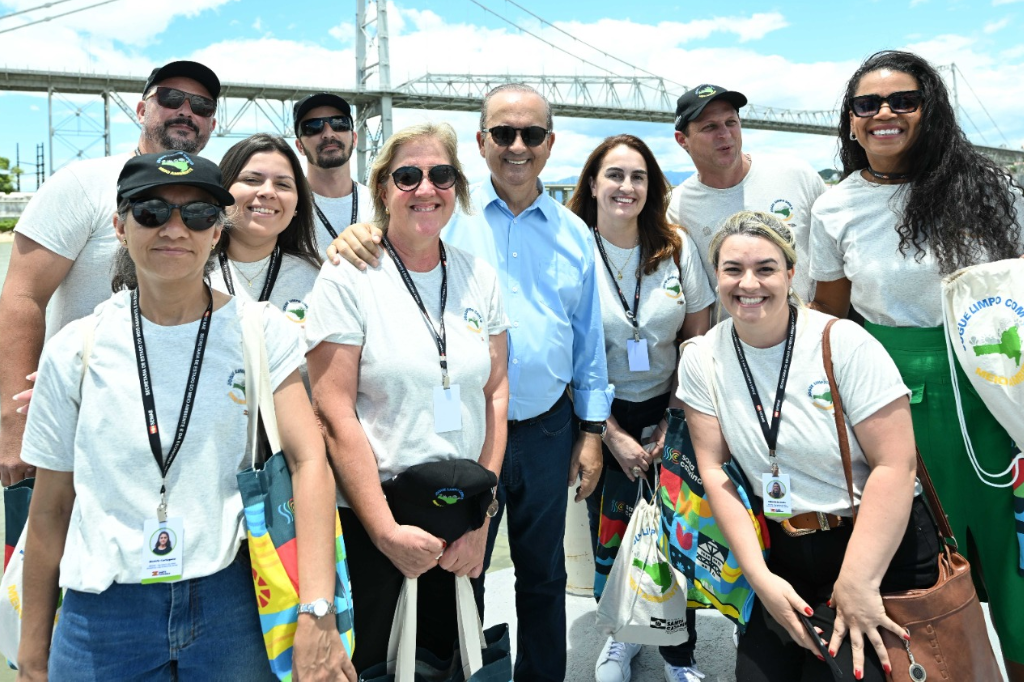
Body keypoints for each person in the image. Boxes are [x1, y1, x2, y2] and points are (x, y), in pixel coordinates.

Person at [16, 153, 354, 681]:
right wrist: (34, 654)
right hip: (104, 610)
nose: (174, 228)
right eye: (151, 211)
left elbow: (310, 463)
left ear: (217, 231)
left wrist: (317, 608)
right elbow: (52, 507)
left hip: (232, 602)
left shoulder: (262, 332)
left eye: (197, 214)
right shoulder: (73, 350)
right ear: (119, 226)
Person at [326, 84, 613, 682]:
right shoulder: (443, 213)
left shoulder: (574, 233)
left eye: (531, 134)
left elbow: (588, 340)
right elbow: (389, 243)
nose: (516, 146)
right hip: (449, 444)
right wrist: (351, 233)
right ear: (481, 143)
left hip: (541, 427)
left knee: (543, 573)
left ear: (549, 143)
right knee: (460, 568)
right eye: (502, 134)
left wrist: (590, 430)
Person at [809, 49, 1024, 679]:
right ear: (850, 121)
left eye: (904, 100)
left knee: (1014, 566)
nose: (885, 114)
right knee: (921, 573)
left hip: (995, 387)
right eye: (867, 104)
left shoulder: (992, 190)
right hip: (895, 399)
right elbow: (832, 314)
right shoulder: (834, 207)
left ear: (931, 112)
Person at [678, 211, 940, 682]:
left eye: (766, 268)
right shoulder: (702, 358)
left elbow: (895, 466)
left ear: (791, 273)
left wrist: (858, 582)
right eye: (733, 269)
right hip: (783, 549)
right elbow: (714, 470)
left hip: (872, 541)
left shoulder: (843, 343)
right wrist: (759, 577)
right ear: (716, 275)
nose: (749, 283)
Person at [305, 122, 509, 673]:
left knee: (448, 661)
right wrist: (384, 531)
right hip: (379, 514)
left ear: (457, 187)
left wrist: (482, 517)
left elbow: (495, 392)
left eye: (441, 175)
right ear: (383, 190)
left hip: (462, 515)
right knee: (375, 662)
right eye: (408, 176)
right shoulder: (350, 277)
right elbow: (333, 411)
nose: (426, 188)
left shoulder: (478, 277)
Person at [0, 60, 220, 487]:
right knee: (50, 547)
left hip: (184, 424)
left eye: (202, 105)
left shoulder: (215, 197)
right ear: (141, 110)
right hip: (77, 420)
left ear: (212, 123)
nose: (186, 112)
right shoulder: (82, 183)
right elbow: (22, 295)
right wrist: (12, 421)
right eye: (171, 99)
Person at [566, 134, 714, 682]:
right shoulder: (573, 248)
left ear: (651, 188)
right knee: (612, 527)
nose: (626, 187)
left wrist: (671, 419)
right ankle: (621, 637)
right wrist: (612, 436)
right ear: (592, 184)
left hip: (672, 406)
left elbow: (696, 337)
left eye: (638, 177)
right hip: (598, 411)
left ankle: (680, 651)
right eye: (614, 175)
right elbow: (565, 356)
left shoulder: (674, 247)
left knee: (680, 531)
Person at [667, 84, 825, 314]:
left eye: (731, 122)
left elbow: (835, 255)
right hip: (729, 345)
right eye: (710, 127)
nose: (724, 134)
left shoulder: (797, 174)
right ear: (682, 140)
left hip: (808, 336)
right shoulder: (676, 209)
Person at [211, 134, 321, 371]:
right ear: (222, 192)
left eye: (283, 184)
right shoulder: (189, 273)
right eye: (252, 179)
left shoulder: (321, 279)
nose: (268, 192)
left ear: (296, 207)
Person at [293, 93, 373, 255]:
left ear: (354, 138)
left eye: (339, 124)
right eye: (313, 127)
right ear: (299, 146)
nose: (328, 134)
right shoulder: (287, 207)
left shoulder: (381, 204)